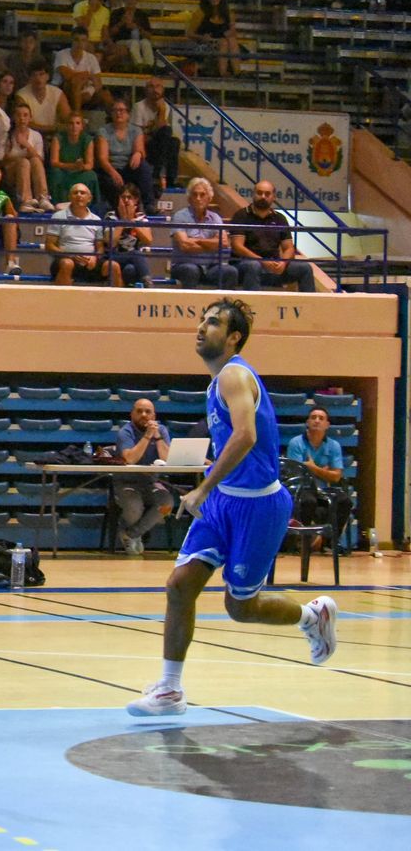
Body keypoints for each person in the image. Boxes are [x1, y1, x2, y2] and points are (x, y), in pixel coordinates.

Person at [127, 299, 338, 717]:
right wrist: (212, 474)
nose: (202, 327)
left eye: (213, 322)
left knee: (240, 607)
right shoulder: (216, 382)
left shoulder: (234, 374)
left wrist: (203, 487)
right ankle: (169, 689)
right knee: (180, 585)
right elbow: (234, 445)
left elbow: (245, 435)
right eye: (202, 320)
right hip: (225, 502)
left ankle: (311, 617)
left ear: (234, 336)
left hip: (258, 507)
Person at [113, 398, 176, 555]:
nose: (144, 415)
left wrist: (158, 437)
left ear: (154, 415)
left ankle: (130, 534)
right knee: (135, 508)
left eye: (148, 412)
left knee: (167, 503)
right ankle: (128, 530)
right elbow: (130, 459)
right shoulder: (125, 432)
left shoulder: (161, 430)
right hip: (126, 482)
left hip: (151, 482)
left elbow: (167, 459)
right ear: (132, 414)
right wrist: (147, 436)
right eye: (139, 411)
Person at [171, 177, 240, 288]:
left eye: (202, 195)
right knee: (191, 270)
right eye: (195, 195)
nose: (198, 199)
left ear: (209, 198)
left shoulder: (215, 218)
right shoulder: (180, 216)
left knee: (230, 271)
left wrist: (196, 240)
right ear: (189, 198)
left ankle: (224, 304)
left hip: (211, 267)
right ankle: (191, 305)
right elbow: (185, 245)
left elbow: (224, 243)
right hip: (184, 265)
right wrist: (212, 244)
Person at [48, 182, 120, 286]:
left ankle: (117, 301)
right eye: (75, 193)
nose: (79, 195)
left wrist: (95, 257)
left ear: (89, 198)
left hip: (89, 262)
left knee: (113, 266)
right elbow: (49, 245)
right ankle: (61, 301)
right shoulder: (58, 217)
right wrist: (70, 255)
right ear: (70, 197)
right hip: (65, 260)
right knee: (67, 264)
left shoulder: (96, 219)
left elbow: (100, 247)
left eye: (82, 193)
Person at [105, 183, 154, 287]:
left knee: (130, 270)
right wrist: (123, 221)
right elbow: (111, 243)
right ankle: (149, 285)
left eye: (129, 197)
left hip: (134, 261)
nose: (126, 200)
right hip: (114, 256)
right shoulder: (110, 216)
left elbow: (148, 240)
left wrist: (132, 222)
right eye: (123, 197)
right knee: (136, 254)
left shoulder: (141, 217)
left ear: (136, 200)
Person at [287, 407, 344, 486]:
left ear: (327, 425)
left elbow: (336, 477)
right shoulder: (295, 443)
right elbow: (296, 474)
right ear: (307, 422)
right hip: (301, 491)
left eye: (321, 418)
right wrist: (325, 473)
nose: (317, 421)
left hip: (324, 493)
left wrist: (313, 468)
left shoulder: (334, 445)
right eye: (313, 417)